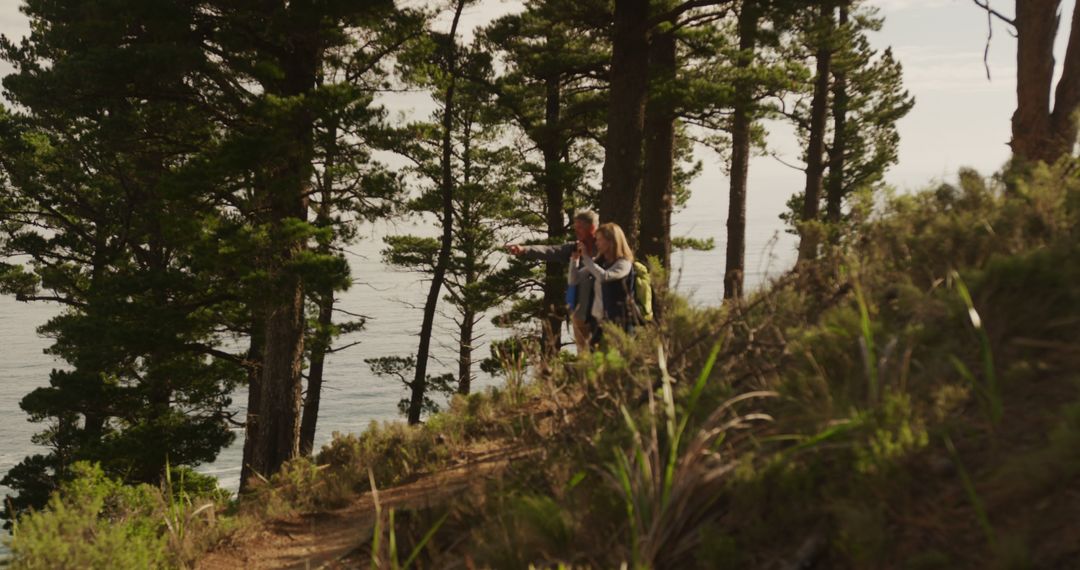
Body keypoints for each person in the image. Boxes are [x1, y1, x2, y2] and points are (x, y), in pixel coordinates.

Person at [506, 210, 599, 351]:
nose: (576, 230)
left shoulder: (604, 247)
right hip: (580, 312)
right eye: (575, 227)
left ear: (592, 227)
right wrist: (524, 249)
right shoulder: (575, 248)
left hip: (601, 312)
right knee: (585, 355)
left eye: (580, 227)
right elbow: (551, 251)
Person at [569, 222, 636, 347]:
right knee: (597, 362)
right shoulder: (599, 262)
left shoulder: (624, 264)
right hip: (597, 322)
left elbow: (604, 277)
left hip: (618, 323)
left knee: (617, 361)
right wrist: (575, 260)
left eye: (600, 240)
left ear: (611, 241)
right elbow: (574, 280)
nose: (596, 243)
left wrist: (586, 258)